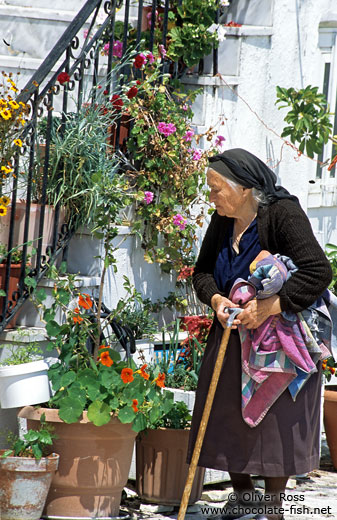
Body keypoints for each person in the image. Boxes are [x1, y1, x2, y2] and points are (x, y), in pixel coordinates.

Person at [187, 148, 332, 520]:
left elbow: (318, 271)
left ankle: (273, 506)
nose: (211, 197)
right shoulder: (223, 219)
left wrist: (269, 306)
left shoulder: (282, 213)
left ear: (245, 188)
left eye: (217, 190)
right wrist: (217, 299)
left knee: (277, 423)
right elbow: (201, 272)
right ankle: (242, 496)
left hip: (281, 340)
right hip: (234, 333)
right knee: (225, 414)